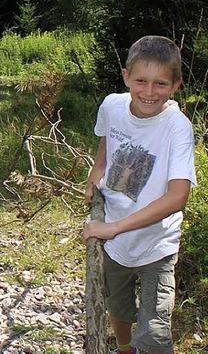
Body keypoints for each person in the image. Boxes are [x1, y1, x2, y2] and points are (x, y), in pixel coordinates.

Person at [83, 35, 196, 354]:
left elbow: (177, 197)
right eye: (140, 81)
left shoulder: (177, 127)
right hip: (116, 242)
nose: (149, 92)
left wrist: (113, 228)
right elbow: (106, 139)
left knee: (156, 331)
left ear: (176, 85)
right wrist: (97, 170)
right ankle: (124, 349)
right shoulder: (112, 105)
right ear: (125, 77)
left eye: (160, 83)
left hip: (157, 244)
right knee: (118, 307)